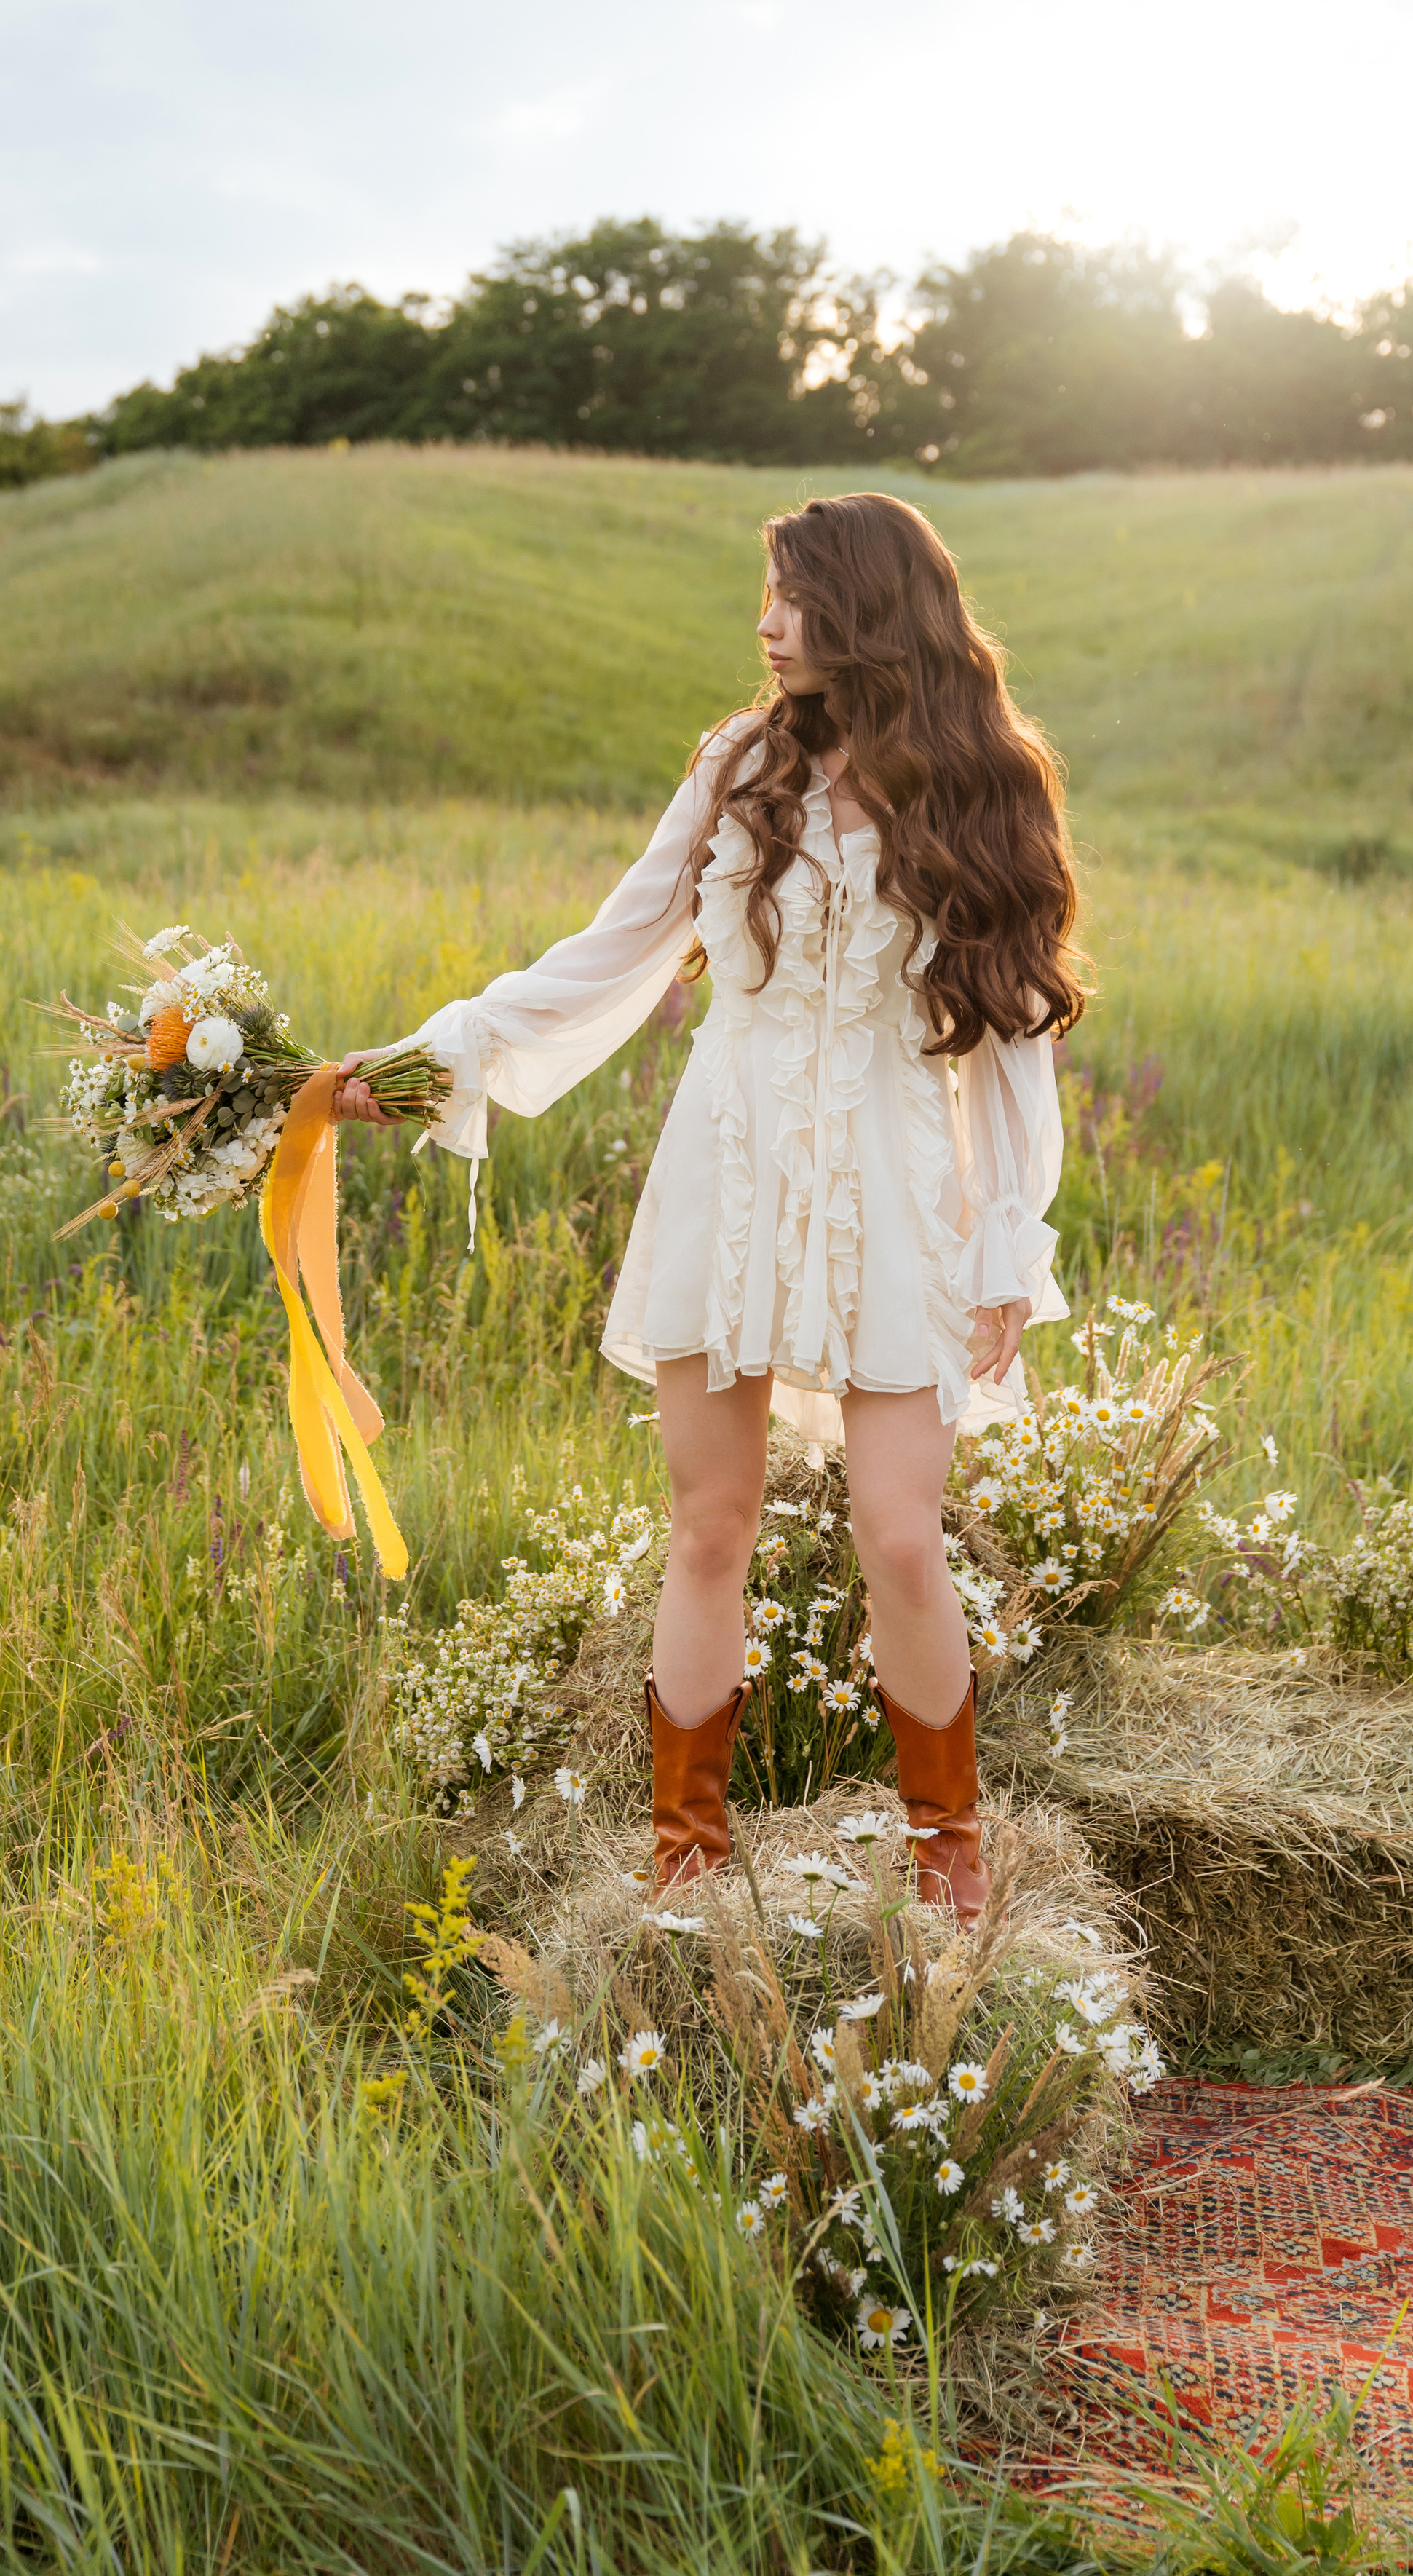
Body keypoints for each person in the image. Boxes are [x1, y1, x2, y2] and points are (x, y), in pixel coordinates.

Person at [336, 491, 1085, 1924]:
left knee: (898, 1532)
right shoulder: (736, 763)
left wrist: (1008, 1239)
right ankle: (685, 1855)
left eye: (795, 596)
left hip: (888, 1180)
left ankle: (949, 1852)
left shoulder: (979, 783)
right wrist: (435, 1062)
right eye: (765, 590)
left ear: (870, 611)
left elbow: (1011, 1040)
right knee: (707, 1523)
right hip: (723, 1168)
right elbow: (610, 947)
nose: (766, 620)